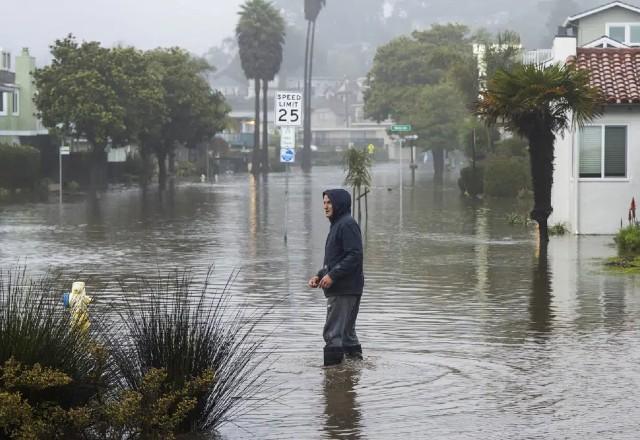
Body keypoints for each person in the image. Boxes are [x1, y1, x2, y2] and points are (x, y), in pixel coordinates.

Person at [308, 189, 364, 366]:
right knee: (347, 334)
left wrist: (332, 276)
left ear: (339, 204)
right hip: (348, 287)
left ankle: (333, 380)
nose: (325, 206)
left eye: (329, 202)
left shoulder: (346, 224)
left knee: (333, 334)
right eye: (324, 202)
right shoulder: (338, 225)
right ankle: (353, 373)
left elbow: (355, 255)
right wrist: (320, 275)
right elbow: (336, 259)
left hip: (343, 289)